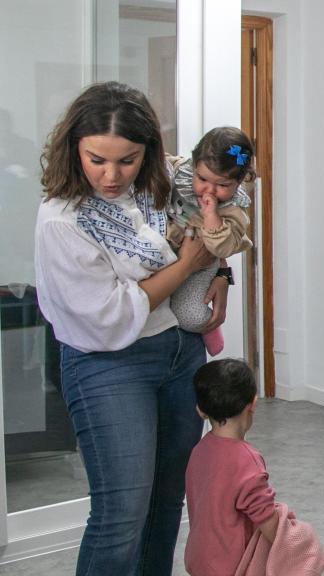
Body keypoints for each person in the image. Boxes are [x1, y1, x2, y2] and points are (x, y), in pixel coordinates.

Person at [34, 81, 228, 575]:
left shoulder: (164, 179)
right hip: (108, 364)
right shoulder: (62, 220)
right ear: (73, 148)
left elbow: (217, 214)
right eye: (97, 159)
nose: (112, 175)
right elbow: (113, 315)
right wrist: (187, 265)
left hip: (179, 352)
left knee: (166, 505)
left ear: (149, 151)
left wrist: (220, 271)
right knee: (121, 515)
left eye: (128, 160)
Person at [184, 358, 324, 576]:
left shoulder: (199, 451)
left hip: (200, 561)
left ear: (201, 410)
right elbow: (266, 520)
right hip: (232, 566)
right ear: (253, 403)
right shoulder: (246, 459)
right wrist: (301, 545)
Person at [166, 126, 255, 356]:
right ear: (194, 165)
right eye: (202, 178)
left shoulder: (233, 210)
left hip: (203, 266)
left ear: (239, 182)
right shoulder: (179, 173)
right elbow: (163, 161)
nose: (209, 190)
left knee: (191, 316)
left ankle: (210, 330)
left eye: (223, 185)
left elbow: (221, 247)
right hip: (169, 257)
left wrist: (211, 217)